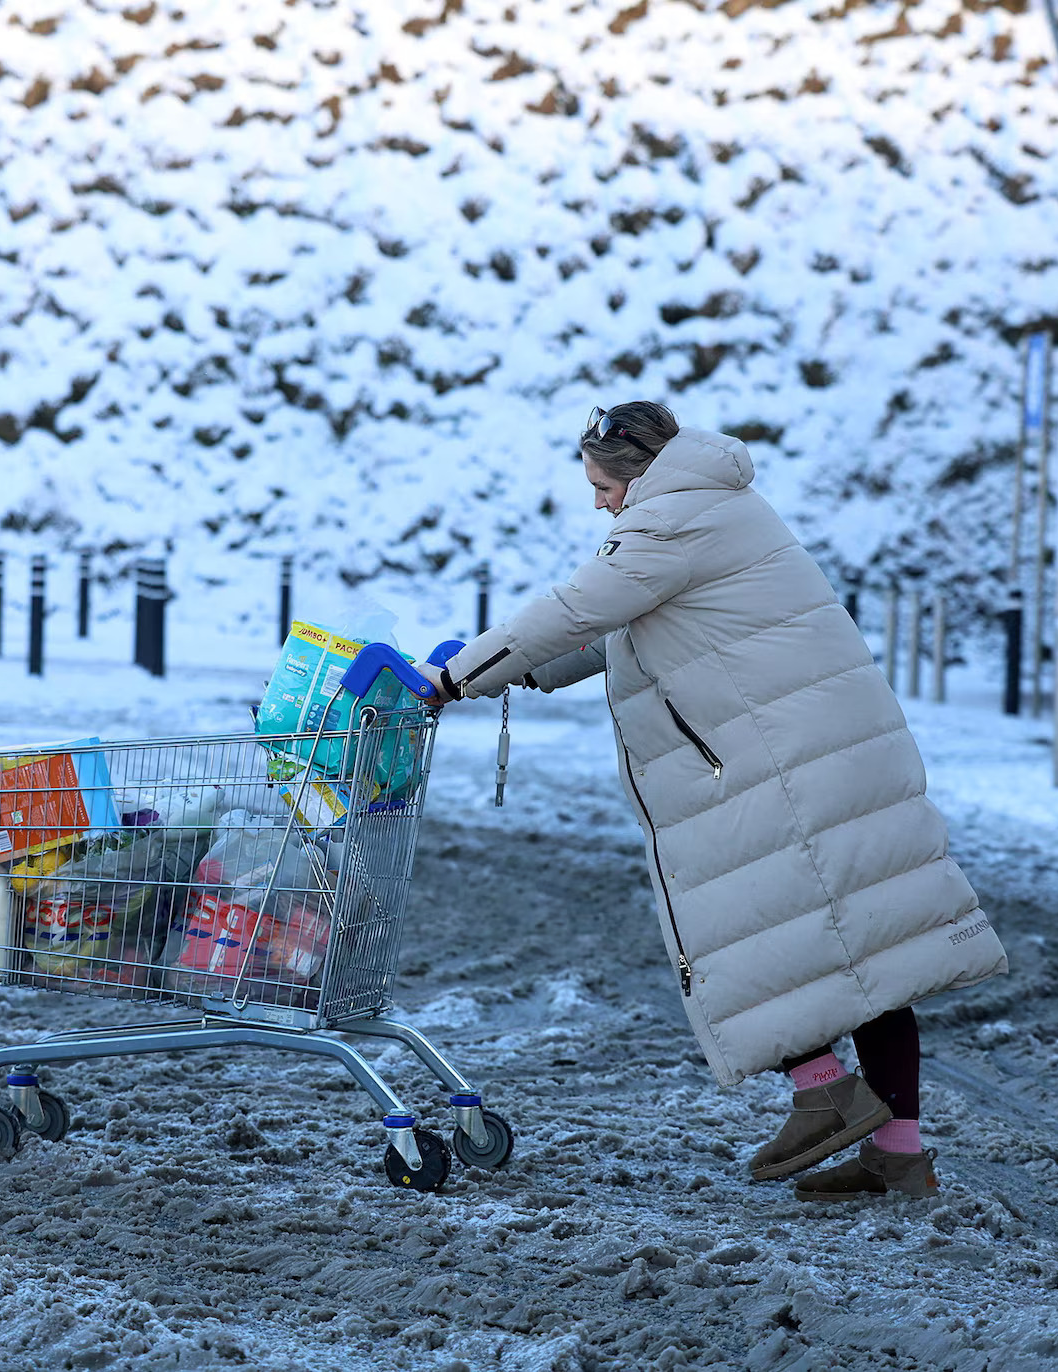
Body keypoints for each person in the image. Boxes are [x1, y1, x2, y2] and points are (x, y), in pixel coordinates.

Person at [417, 401, 1007, 1201]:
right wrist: (512, 669)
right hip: (824, 751)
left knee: (752, 929)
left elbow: (577, 608)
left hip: (776, 766)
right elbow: (613, 632)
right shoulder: (715, 508)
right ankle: (898, 1154)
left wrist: (455, 678)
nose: (598, 502)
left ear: (634, 473)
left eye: (601, 487)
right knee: (870, 952)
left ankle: (824, 1092)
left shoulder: (667, 523)